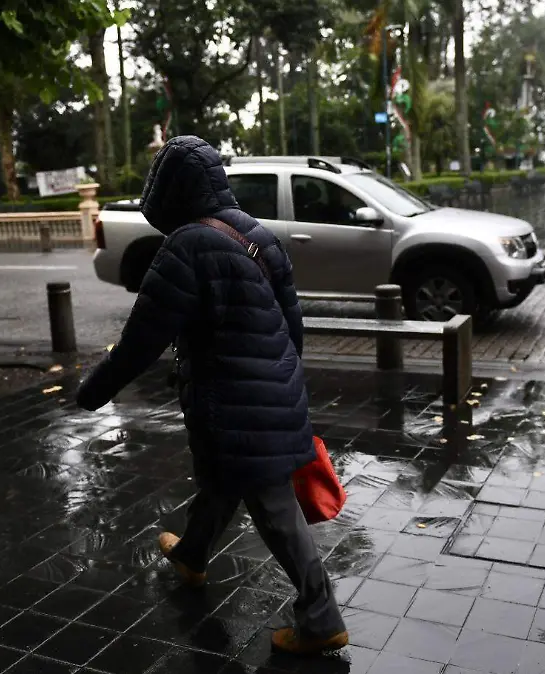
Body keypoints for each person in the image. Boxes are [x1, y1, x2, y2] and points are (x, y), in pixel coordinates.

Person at [75, 136, 347, 655]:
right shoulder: (259, 235)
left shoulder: (186, 245)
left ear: (170, 189)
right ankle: (192, 555)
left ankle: (321, 617)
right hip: (275, 387)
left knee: (273, 506)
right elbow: (292, 324)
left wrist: (93, 391)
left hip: (232, 402)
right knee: (222, 482)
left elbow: (141, 340)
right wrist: (281, 381)